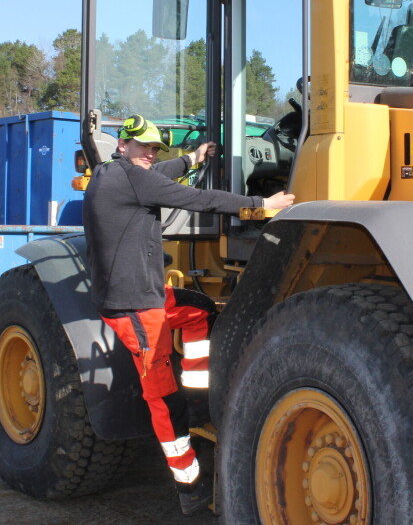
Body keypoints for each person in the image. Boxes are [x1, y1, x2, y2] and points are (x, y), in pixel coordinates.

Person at [82, 114, 294, 515]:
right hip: (135, 308)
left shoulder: (111, 172)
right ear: (122, 145)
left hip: (147, 296)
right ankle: (189, 485)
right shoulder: (132, 176)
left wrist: (192, 158)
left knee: (197, 311)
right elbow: (199, 200)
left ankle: (198, 394)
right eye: (143, 146)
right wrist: (259, 205)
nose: (150, 153)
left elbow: (155, 173)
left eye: (155, 148)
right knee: (161, 397)